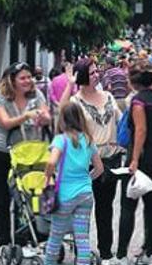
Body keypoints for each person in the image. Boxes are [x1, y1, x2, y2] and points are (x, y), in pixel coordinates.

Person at [0, 62, 51, 249]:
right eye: (23, 78)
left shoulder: (37, 95)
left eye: (29, 77)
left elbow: (47, 115)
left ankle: (24, 239)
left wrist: (44, 117)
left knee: (27, 195)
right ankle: (3, 241)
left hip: (25, 153)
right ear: (12, 80)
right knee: (1, 199)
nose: (28, 81)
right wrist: (27, 115)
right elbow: (5, 122)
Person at [69, 58, 124, 263]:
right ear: (82, 76)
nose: (96, 75)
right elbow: (72, 131)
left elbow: (121, 120)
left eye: (96, 72)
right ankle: (81, 253)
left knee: (105, 207)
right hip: (86, 162)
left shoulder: (108, 96)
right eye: (91, 73)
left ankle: (106, 252)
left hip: (110, 159)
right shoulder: (75, 102)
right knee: (82, 210)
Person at [116, 61, 152, 264]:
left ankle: (121, 254)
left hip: (141, 158)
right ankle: (151, 251)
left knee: (128, 207)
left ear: (134, 82)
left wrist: (134, 159)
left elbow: (140, 130)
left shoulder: (138, 102)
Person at [44, 102, 105, 265]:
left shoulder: (60, 140)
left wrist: (46, 179)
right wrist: (86, 180)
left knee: (55, 237)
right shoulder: (88, 139)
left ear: (62, 119)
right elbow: (99, 168)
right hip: (85, 194)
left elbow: (51, 162)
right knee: (82, 238)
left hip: (65, 195)